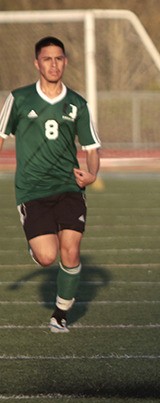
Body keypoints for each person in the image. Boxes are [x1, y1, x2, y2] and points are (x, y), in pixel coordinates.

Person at [0, 36, 101, 333]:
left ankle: (61, 312)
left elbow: (92, 147)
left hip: (69, 187)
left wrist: (92, 173)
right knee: (47, 257)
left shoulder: (77, 103)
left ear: (65, 62)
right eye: (47, 59)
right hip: (32, 190)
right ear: (37, 63)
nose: (53, 64)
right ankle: (37, 247)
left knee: (71, 248)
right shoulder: (18, 99)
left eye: (59, 58)